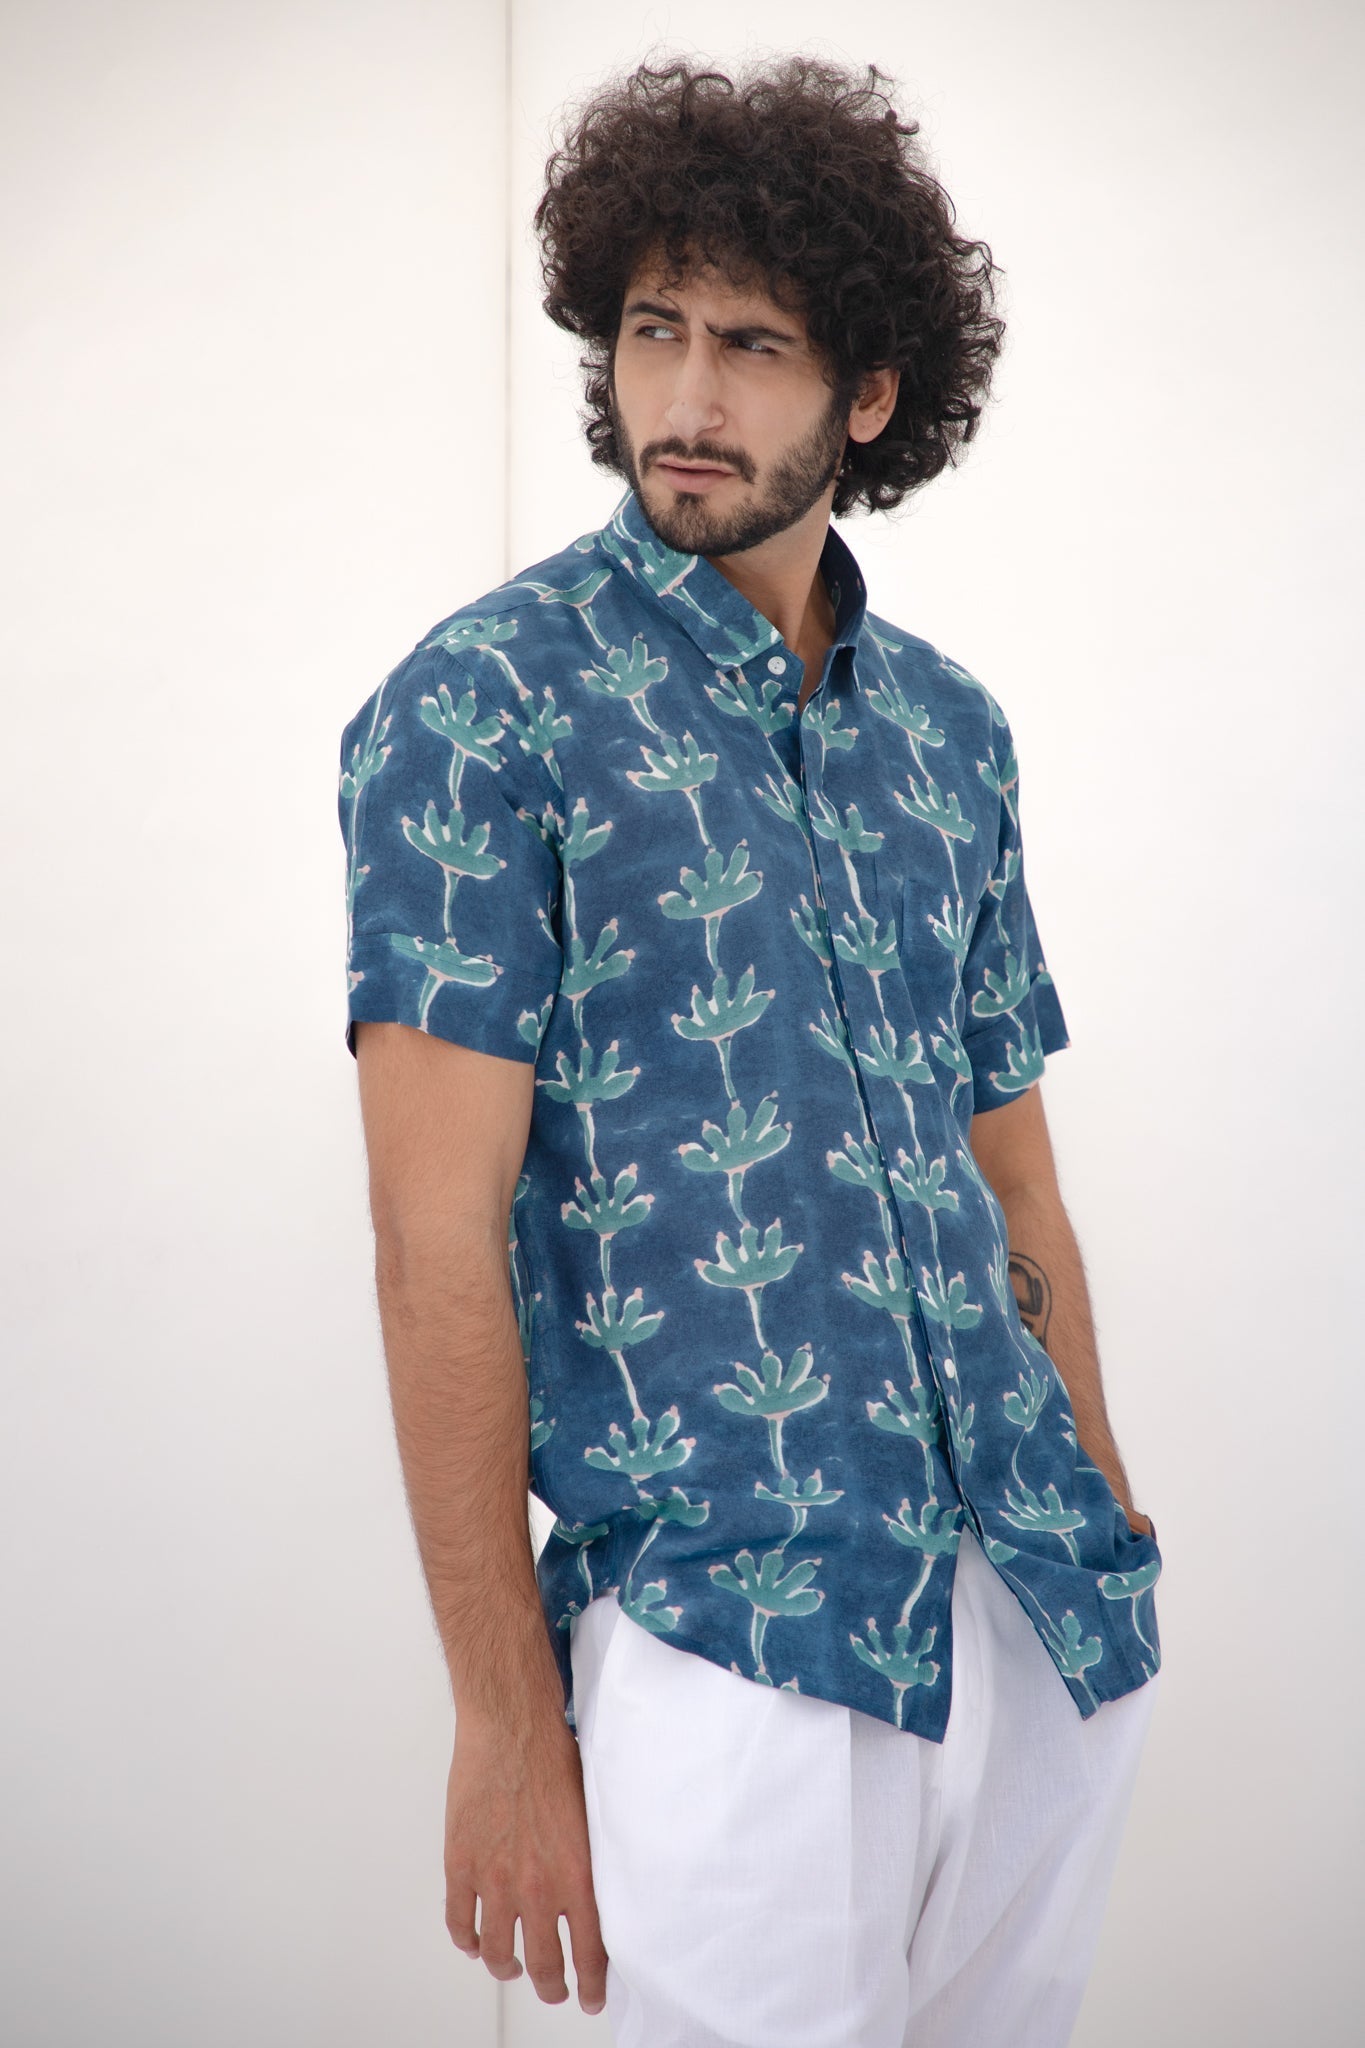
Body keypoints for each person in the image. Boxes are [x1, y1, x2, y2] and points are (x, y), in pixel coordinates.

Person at [336, 53, 1165, 2048]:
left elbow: (1010, 1167)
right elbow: (433, 1241)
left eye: (751, 346)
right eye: (652, 330)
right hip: (731, 1632)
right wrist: (503, 1725)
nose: (684, 399)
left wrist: (1104, 1513)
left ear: (867, 393)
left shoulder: (946, 733)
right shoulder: (485, 709)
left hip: (1034, 1613)